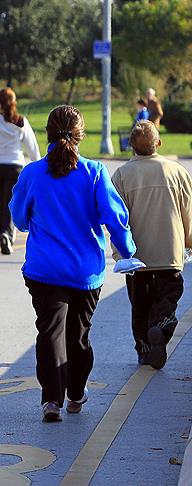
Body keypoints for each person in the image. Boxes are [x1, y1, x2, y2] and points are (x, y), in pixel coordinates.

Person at [10, 105, 136, 422]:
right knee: (78, 335)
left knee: (50, 333)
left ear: (48, 133)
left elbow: (19, 219)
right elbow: (114, 218)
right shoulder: (94, 172)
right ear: (80, 135)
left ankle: (51, 400)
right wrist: (128, 251)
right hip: (85, 271)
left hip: (44, 269)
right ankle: (76, 393)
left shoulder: (32, 173)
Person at [111, 121, 192, 369]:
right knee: (170, 294)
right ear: (159, 142)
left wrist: (119, 254)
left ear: (130, 145)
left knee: (140, 304)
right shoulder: (177, 172)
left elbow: (116, 219)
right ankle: (162, 322)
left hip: (137, 256)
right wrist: (189, 242)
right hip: (169, 252)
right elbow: (188, 214)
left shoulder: (122, 175)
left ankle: (144, 349)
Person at [0, 88, 40, 254]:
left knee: (2, 204)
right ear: (14, 102)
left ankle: (4, 233)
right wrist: (40, 169)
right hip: (14, 167)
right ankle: (7, 234)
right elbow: (32, 148)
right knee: (9, 203)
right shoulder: (21, 122)